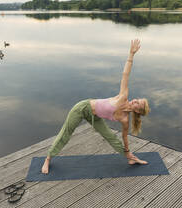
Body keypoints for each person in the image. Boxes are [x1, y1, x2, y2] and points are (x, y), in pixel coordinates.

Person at [42, 39, 150, 174]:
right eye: (137, 99)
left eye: (137, 103)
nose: (134, 100)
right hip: (82, 108)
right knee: (66, 132)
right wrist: (131, 54)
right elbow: (125, 74)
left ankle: (131, 159)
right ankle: (48, 158)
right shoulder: (123, 96)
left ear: (137, 110)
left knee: (111, 137)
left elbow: (124, 137)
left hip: (95, 116)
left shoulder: (125, 120)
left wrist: (128, 152)